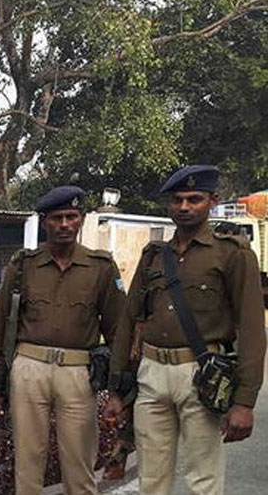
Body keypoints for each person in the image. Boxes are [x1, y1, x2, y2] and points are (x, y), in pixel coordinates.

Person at [105, 165, 266, 495]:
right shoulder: (153, 256)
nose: (184, 207)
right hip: (151, 373)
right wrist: (116, 387)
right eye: (177, 200)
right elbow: (128, 321)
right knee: (151, 479)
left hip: (201, 376)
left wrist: (244, 402)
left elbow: (252, 329)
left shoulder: (232, 254)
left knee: (202, 480)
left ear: (212, 201)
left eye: (194, 199)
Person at [0, 185, 125, 495]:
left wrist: (119, 390)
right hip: (29, 369)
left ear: (81, 219)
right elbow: (0, 326)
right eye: (57, 218)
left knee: (79, 466)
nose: (64, 225)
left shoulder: (100, 267)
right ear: (44, 221)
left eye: (71, 217)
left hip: (78, 373)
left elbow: (118, 332)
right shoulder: (23, 265)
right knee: (27, 465)